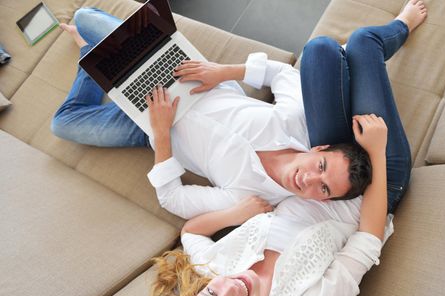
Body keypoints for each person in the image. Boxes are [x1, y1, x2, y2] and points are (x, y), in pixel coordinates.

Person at [135, 1, 428, 296]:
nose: (230, 288)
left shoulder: (217, 268)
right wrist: (377, 151)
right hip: (376, 184)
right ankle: (400, 27)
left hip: (326, 164)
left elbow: (191, 232)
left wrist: (236, 215)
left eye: (212, 293)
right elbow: (368, 240)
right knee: (365, 44)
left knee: (321, 50)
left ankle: (370, 46)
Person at [52, 7, 374, 221]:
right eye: (321, 167)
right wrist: (222, 72)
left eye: (324, 189)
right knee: (84, 17)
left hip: (149, 126)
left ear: (322, 201)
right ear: (319, 150)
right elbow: (282, 75)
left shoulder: (249, 198)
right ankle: (94, 57)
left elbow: (173, 199)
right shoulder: (293, 124)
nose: (310, 179)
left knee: (63, 124)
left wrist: (161, 134)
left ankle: (88, 57)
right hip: (190, 78)